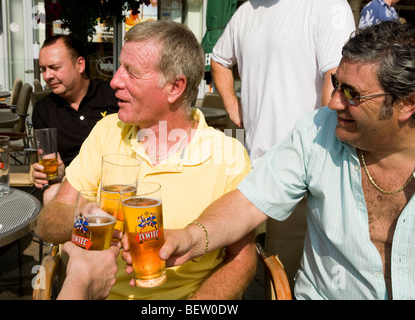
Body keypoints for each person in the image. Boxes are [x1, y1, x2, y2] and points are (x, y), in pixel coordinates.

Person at [156, 21, 415, 300]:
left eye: (353, 94)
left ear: (407, 103)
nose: (334, 102)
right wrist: (192, 239)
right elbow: (248, 203)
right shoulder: (318, 130)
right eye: (336, 84)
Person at [35, 20, 256, 300]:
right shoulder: (108, 130)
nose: (114, 80)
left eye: (131, 72)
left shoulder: (229, 155)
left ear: (175, 87)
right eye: (119, 67)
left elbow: (243, 258)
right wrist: (84, 220)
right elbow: (49, 222)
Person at [210, 0, 355, 166]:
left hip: (305, 165)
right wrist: (233, 106)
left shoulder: (328, 5)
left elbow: (337, 78)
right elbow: (219, 61)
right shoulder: (246, 11)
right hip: (255, 163)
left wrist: (325, 160)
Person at [32, 35, 119, 197]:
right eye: (43, 69)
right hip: (75, 186)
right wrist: (48, 174)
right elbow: (54, 164)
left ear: (80, 65)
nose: (47, 75)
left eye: (54, 67)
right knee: (50, 193)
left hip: (116, 183)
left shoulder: (114, 97)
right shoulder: (43, 109)